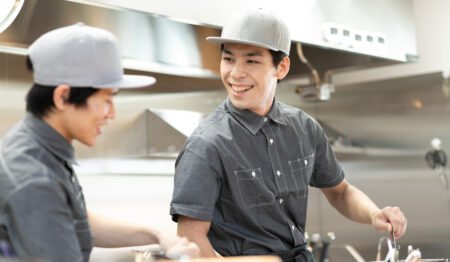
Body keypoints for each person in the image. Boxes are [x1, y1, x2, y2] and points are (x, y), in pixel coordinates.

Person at [170, 8, 407, 261]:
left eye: (251, 61)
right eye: (228, 59)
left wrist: (373, 214)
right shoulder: (206, 145)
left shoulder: (304, 127)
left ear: (281, 67)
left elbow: (340, 192)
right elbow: (191, 242)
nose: (236, 73)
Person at [0, 23, 198, 262]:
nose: (111, 113)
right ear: (62, 96)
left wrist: (157, 234)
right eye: (106, 99)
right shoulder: (34, 179)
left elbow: (78, 219)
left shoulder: (38, 147)